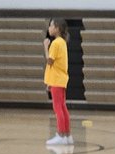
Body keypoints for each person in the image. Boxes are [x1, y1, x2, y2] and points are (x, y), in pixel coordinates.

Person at [43, 18, 72, 146]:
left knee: (57, 107)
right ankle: (67, 135)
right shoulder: (62, 42)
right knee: (62, 107)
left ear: (57, 28)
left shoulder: (55, 43)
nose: (49, 28)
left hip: (57, 79)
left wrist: (45, 47)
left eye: (51, 26)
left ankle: (61, 134)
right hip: (60, 78)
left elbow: (50, 61)